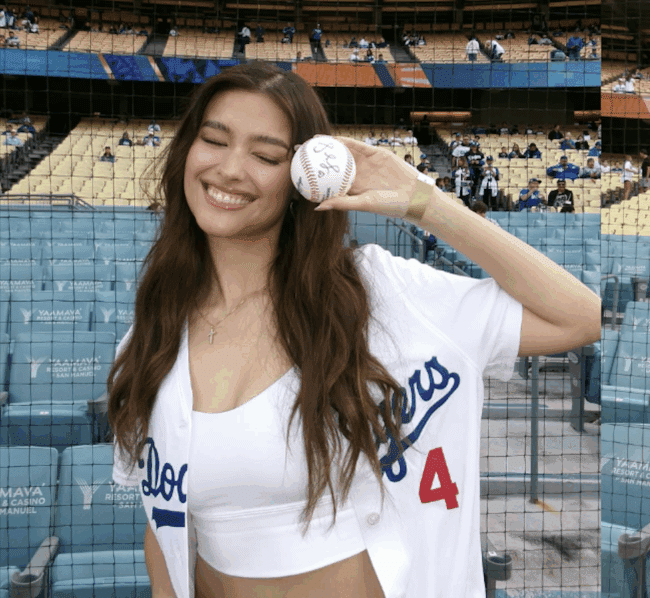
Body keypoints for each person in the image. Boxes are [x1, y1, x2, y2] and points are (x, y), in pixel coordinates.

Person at [106, 62, 598, 598]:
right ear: (187, 151)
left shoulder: (379, 292)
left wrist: (424, 203)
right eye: (214, 140)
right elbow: (165, 528)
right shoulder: (149, 342)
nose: (229, 169)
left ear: (298, 181)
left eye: (266, 156)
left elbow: (579, 315)